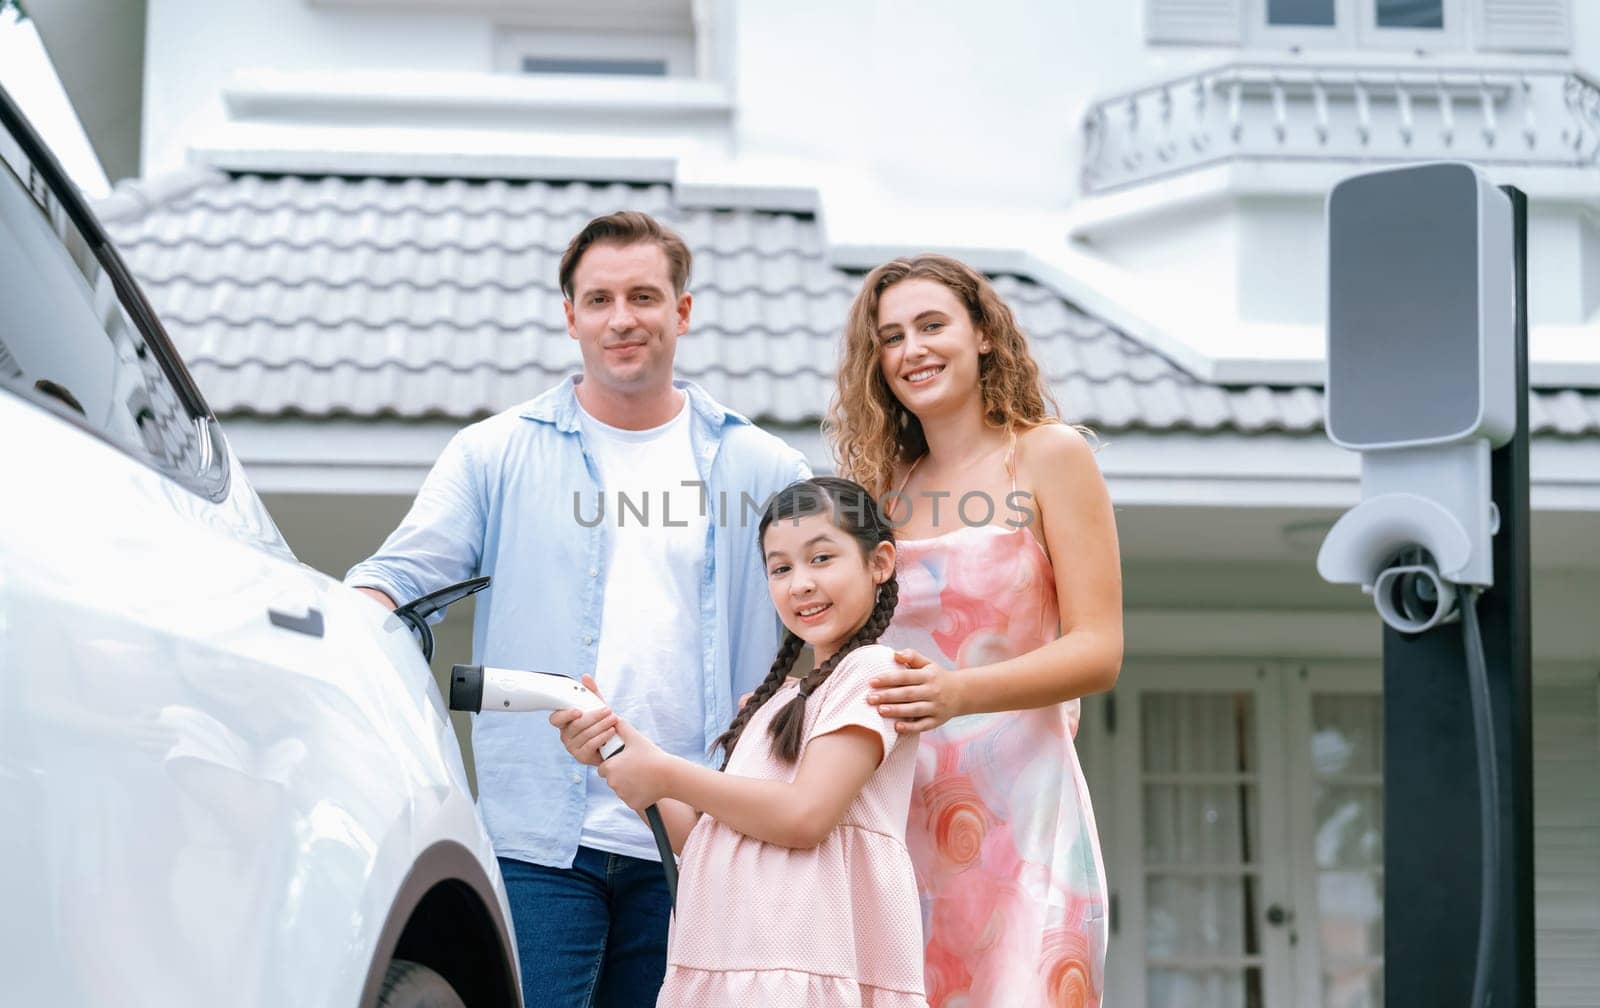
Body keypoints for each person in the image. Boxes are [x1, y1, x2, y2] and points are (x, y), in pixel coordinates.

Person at [344, 211, 810, 1007]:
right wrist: (344, 629)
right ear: (570, 317)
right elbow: (395, 579)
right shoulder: (493, 453)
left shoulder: (763, 466)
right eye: (598, 300)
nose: (621, 318)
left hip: (703, 833)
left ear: (682, 311)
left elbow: (824, 624)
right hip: (537, 842)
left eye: (643, 296)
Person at [826, 254, 1123, 1007]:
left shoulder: (1050, 455)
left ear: (984, 334)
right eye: (890, 337)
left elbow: (1099, 649)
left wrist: (957, 692)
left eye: (932, 325)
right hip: (899, 815)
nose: (912, 350)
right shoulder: (882, 494)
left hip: (1024, 820)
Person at [555, 477, 926, 1007]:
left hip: (807, 967)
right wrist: (617, 749)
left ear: (880, 562)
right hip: (734, 962)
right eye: (781, 568)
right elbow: (703, 837)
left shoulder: (871, 672)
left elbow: (805, 816)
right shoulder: (768, 703)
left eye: (821, 558)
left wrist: (666, 772)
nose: (800, 583)